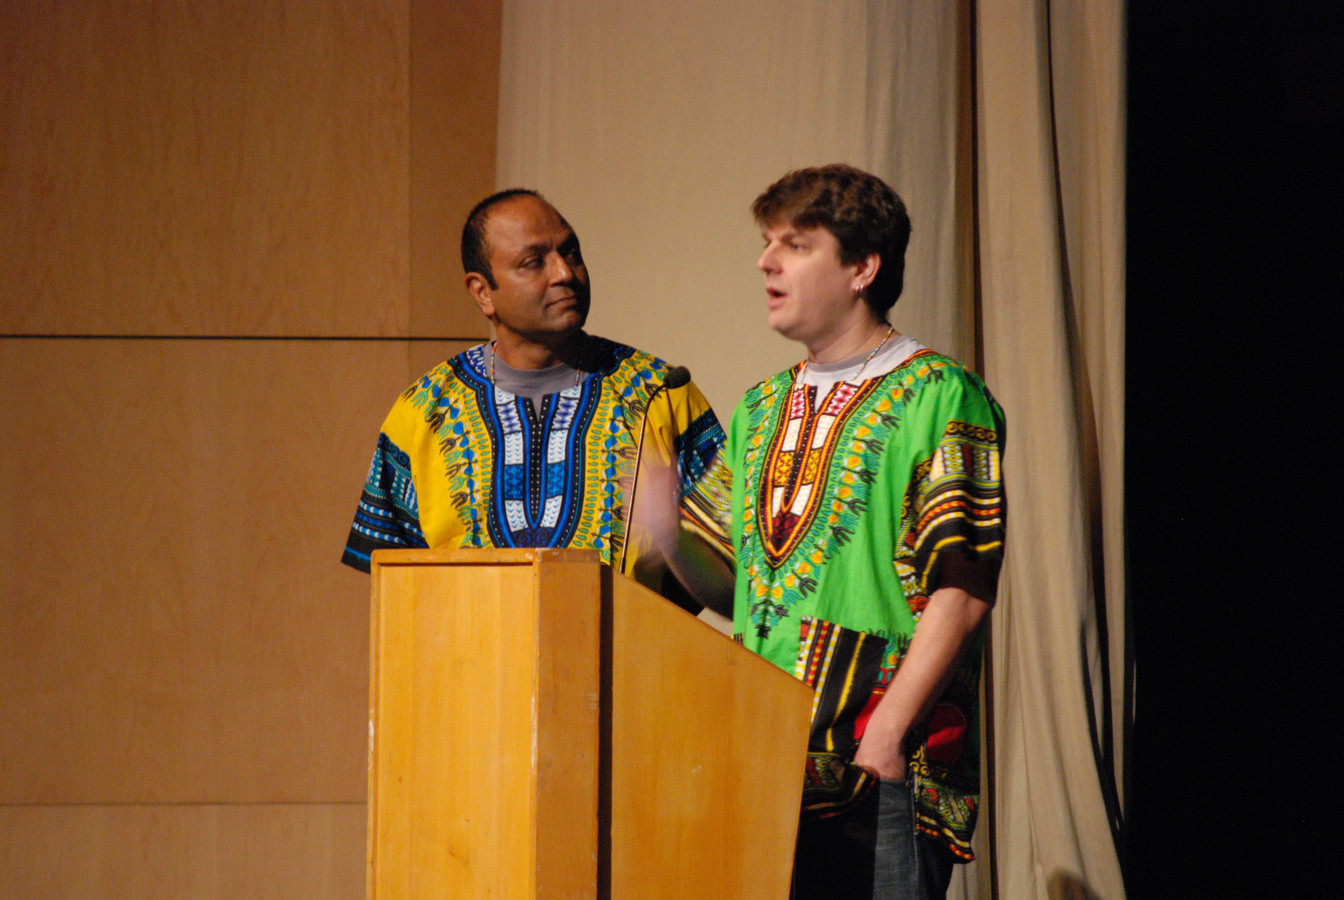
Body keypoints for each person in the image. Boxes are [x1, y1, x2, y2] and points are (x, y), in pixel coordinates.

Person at [725, 165, 1006, 898]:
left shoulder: (940, 394)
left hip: (880, 765)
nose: (766, 261)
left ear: (862, 268)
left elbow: (964, 590)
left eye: (796, 245)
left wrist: (887, 736)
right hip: (766, 760)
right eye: (767, 243)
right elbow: (724, 574)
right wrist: (659, 520)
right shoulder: (759, 408)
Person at [342, 189, 732, 612]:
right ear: (482, 292)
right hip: (467, 652)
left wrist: (671, 538)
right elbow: (397, 590)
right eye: (533, 262)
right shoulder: (424, 410)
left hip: (632, 650)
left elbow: (730, 570)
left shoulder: (660, 393)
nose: (564, 273)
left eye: (571, 253)